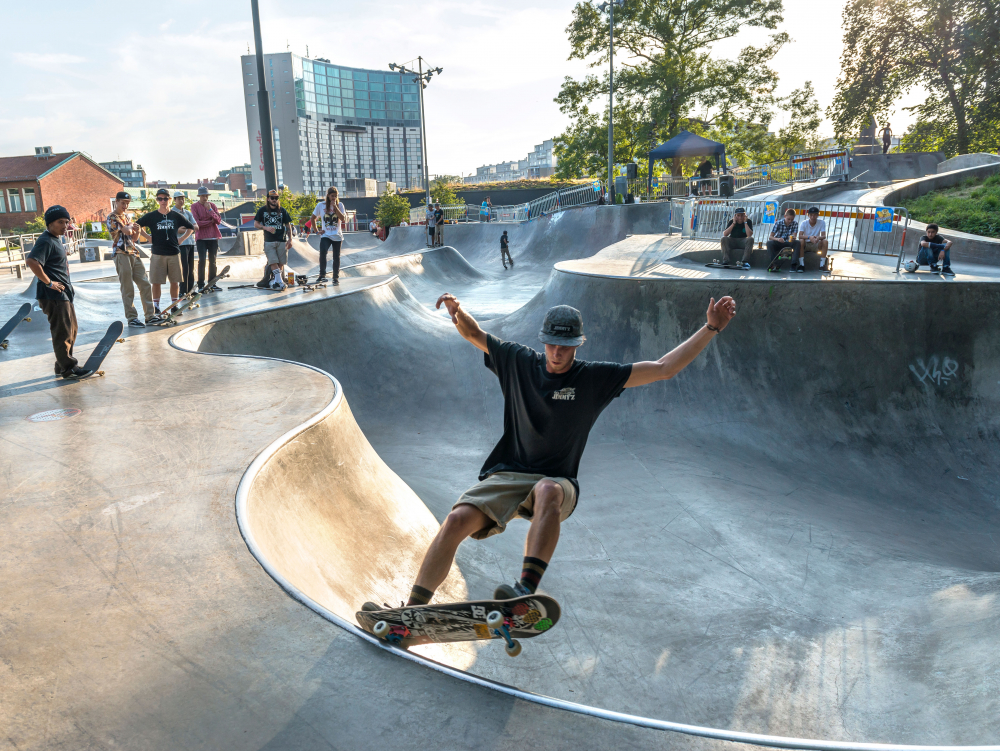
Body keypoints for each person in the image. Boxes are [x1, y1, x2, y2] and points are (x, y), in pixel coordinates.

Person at [363, 292, 736, 612]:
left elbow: (663, 368)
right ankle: (412, 611)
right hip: (509, 473)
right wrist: (457, 312)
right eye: (552, 345)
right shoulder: (519, 361)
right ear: (543, 341)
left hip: (558, 482)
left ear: (577, 345)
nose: (557, 353)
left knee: (546, 490)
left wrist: (712, 327)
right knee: (457, 519)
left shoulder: (593, 378)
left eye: (566, 347)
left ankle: (525, 591)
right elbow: (475, 335)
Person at [25, 206, 93, 379]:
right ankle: (68, 368)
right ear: (50, 223)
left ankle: (61, 364)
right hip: (53, 295)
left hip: (62, 295)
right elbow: (32, 261)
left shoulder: (55, 239)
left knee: (71, 329)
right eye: (60, 222)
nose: (65, 226)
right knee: (63, 331)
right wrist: (49, 283)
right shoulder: (46, 240)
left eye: (66, 222)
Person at [136, 188, 195, 312]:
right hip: (157, 254)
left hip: (174, 253)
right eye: (160, 199)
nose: (163, 201)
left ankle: (174, 305)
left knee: (175, 281)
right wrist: (147, 237)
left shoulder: (176, 215)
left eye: (165, 198)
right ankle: (156, 306)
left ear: (169, 200)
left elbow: (191, 227)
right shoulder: (152, 216)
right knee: (156, 282)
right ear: (157, 200)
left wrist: (182, 239)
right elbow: (137, 225)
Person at [106, 191, 159, 327]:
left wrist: (137, 230)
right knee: (128, 287)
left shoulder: (128, 217)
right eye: (123, 203)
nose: (125, 206)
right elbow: (126, 231)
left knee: (145, 284)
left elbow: (134, 238)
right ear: (116, 201)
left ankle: (150, 316)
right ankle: (132, 318)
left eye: (127, 204)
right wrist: (132, 228)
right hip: (121, 253)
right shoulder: (112, 217)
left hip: (133, 252)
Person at [254, 189, 293, 290]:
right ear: (268, 199)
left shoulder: (282, 210)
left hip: (282, 240)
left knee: (281, 263)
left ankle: (275, 281)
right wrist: (265, 227)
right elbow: (256, 224)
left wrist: (290, 239)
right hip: (269, 241)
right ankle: (279, 281)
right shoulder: (262, 210)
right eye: (272, 198)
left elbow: (288, 225)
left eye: (276, 198)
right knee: (273, 261)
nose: (274, 200)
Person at [191, 186, 222, 292]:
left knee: (213, 261)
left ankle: (212, 283)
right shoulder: (194, 206)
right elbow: (197, 223)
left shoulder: (212, 205)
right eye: (203, 196)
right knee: (202, 260)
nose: (205, 198)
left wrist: (209, 210)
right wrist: (210, 222)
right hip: (201, 238)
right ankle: (200, 285)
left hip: (213, 237)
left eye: (206, 195)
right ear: (199, 196)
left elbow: (218, 220)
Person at [312, 186, 346, 284]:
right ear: (328, 196)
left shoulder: (340, 205)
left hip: (337, 235)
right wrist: (316, 231)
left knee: (336, 257)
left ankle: (335, 277)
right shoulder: (321, 205)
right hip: (326, 235)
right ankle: (322, 275)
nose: (334, 198)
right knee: (322, 252)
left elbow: (343, 218)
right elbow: (312, 218)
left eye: (335, 196)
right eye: (332, 196)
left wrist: (335, 207)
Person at [172, 192, 198, 295]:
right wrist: (178, 230)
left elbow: (196, 227)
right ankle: (182, 291)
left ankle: (190, 290)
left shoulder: (188, 213)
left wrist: (186, 228)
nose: (181, 201)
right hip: (180, 244)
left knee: (191, 268)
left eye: (183, 198)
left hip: (190, 242)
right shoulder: (172, 213)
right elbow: (170, 229)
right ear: (174, 200)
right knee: (184, 268)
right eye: (179, 199)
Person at [795, 206, 829, 272]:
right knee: (801, 241)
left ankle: (822, 265)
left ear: (818, 215)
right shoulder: (804, 223)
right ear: (808, 215)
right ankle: (801, 265)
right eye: (811, 215)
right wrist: (809, 237)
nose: (813, 217)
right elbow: (800, 236)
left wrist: (818, 238)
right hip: (806, 244)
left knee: (825, 241)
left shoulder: (822, 222)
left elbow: (824, 236)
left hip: (816, 243)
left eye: (815, 215)